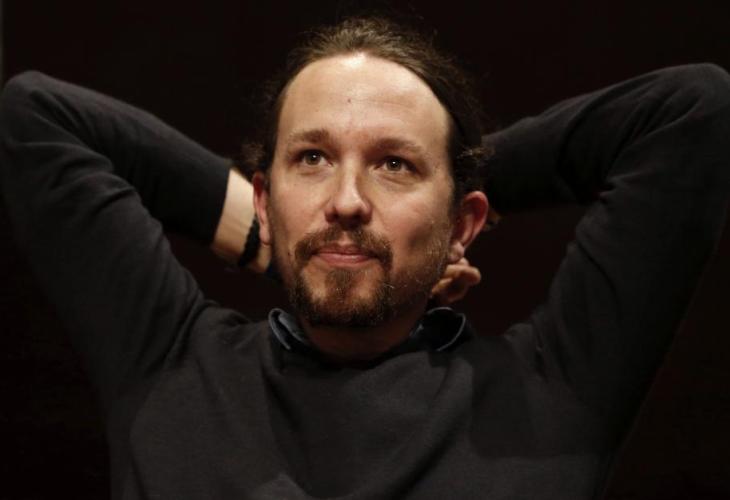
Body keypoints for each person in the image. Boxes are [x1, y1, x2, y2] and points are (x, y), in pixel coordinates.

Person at [1, 16, 728, 500]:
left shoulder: (547, 395)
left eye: (394, 165)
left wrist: (444, 206)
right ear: (264, 199)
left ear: (464, 223)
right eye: (312, 158)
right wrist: (276, 243)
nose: (346, 201)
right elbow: (35, 117)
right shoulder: (171, 365)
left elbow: (693, 111)